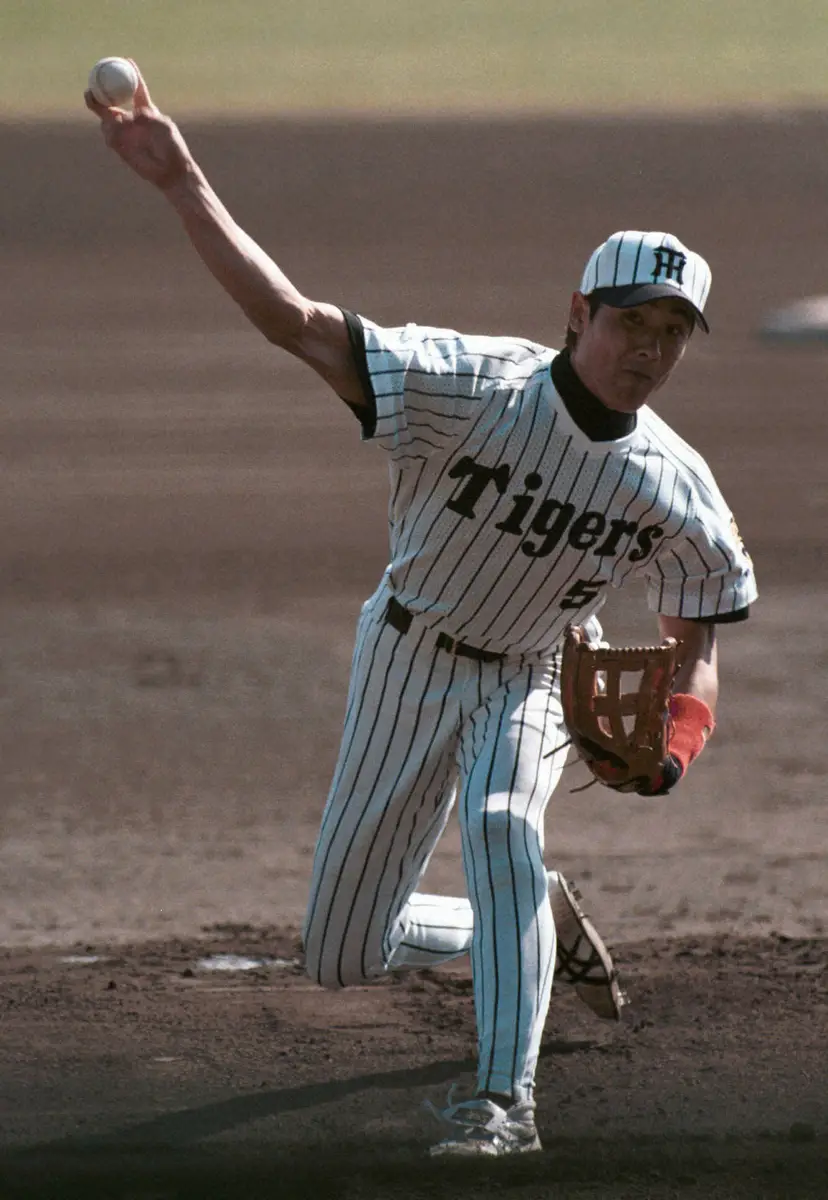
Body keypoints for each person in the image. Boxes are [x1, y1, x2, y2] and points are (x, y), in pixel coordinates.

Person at [86, 68, 757, 1159]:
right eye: (635, 321)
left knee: (501, 824)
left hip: (537, 671)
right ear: (579, 313)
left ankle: (505, 1108)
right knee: (343, 949)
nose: (653, 348)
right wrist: (183, 181)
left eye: (677, 332)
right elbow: (292, 322)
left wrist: (677, 741)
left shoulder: (675, 483)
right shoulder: (467, 385)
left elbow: (699, 633)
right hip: (404, 654)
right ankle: (533, 917)